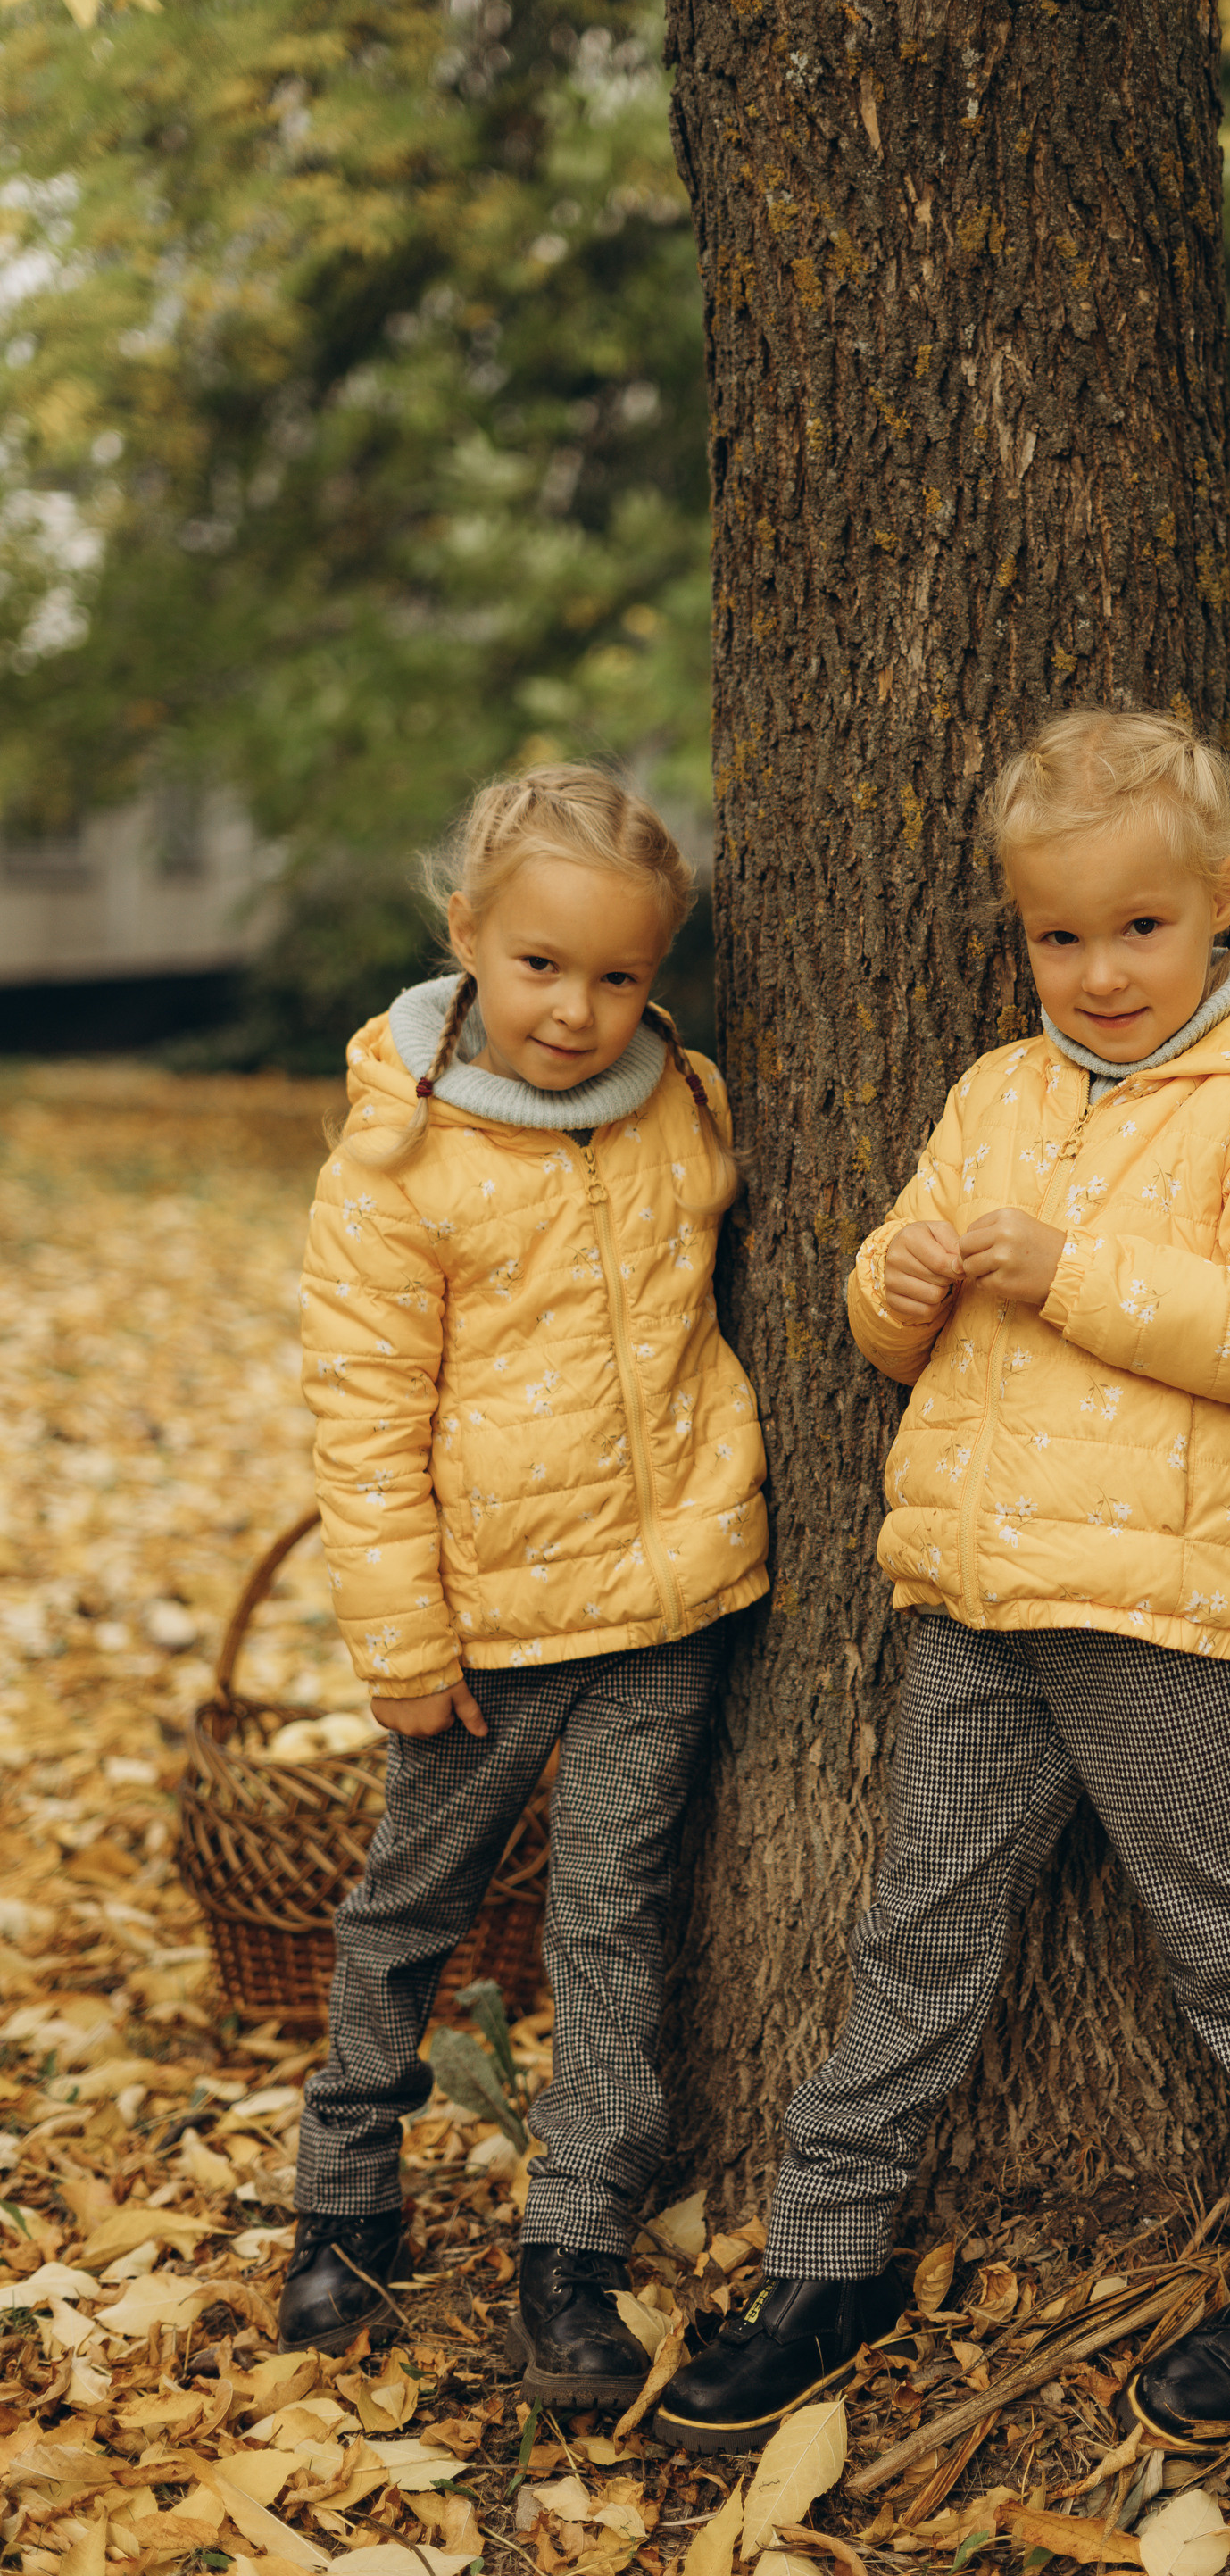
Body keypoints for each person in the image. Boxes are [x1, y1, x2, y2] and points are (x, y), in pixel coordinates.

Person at [653, 707, 1230, 2456]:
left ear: (1223, 898)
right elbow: (885, 1333)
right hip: (983, 1601)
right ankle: (834, 2257)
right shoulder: (998, 1091)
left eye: (1136, 928)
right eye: (1054, 936)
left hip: (1153, 1611)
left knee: (1229, 1932)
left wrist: (1069, 1267)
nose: (1095, 971)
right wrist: (901, 1281)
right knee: (917, 1925)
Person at [278, 763, 768, 2411]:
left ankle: (573, 2249)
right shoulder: (396, 1165)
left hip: (664, 1612)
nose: (578, 1009)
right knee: (408, 1908)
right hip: (483, 1628)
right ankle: (343, 2202)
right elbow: (365, 1420)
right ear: (466, 935)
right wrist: (404, 1642)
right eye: (542, 965)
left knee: (613, 1923)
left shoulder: (681, 1103)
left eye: (620, 974)